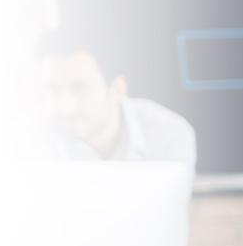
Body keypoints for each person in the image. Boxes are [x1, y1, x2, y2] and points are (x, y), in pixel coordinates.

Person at [40, 32, 198, 166]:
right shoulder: (28, 142)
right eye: (53, 90)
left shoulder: (167, 135)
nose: (63, 107)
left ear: (117, 89)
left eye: (79, 89)